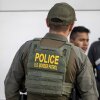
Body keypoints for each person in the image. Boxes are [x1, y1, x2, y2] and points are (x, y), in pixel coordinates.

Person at [4, 2, 98, 100]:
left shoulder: (27, 48)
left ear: (47, 22)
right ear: (71, 26)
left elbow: (10, 86)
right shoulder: (79, 56)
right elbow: (90, 96)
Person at [69, 26, 90, 100]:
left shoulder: (86, 61)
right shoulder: (65, 59)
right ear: (71, 41)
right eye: (81, 40)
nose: (85, 44)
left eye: (87, 40)